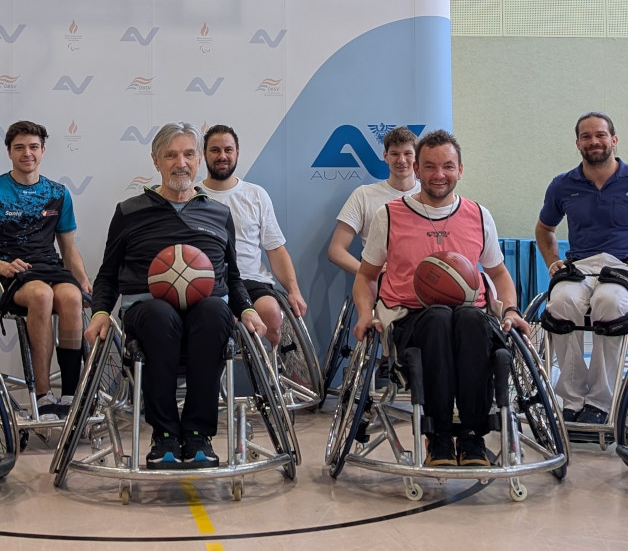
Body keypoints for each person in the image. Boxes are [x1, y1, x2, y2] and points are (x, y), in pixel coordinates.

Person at [84, 122, 264, 469]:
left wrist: (246, 309)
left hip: (207, 310)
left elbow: (234, 276)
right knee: (159, 314)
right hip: (147, 312)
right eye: (171, 155)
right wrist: (100, 312)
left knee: (213, 311)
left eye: (188, 154)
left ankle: (198, 435)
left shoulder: (218, 212)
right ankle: (164, 435)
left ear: (199, 161)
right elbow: (107, 275)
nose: (180, 163)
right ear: (156, 161)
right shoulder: (129, 211)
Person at [352, 130, 529, 467]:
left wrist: (511, 309)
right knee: (437, 317)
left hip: (468, 317)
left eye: (447, 166)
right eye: (430, 167)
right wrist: (364, 313)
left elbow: (500, 274)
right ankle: (439, 436)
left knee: (471, 318)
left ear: (460, 169)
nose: (439, 175)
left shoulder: (478, 215)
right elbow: (366, 276)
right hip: (409, 317)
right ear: (416, 169)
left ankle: (473, 437)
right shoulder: (388, 215)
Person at [535, 112, 628, 432]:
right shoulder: (563, 185)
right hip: (580, 268)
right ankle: (573, 400)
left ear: (614, 140)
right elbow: (544, 228)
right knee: (559, 303)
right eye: (586, 136)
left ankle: (601, 402)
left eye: (600, 135)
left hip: (623, 270)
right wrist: (552, 260)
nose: (594, 141)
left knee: (611, 304)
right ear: (577, 143)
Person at [0, 120, 91, 420]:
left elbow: (69, 249)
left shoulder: (58, 193)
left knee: (72, 298)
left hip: (49, 266)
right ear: (9, 152)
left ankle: (71, 394)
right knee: (41, 296)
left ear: (43, 151)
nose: (27, 153)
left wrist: (84, 280)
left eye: (33, 147)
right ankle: (44, 395)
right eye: (19, 147)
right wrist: (3, 267)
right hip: (6, 272)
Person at [200, 125, 306, 343]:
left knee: (271, 312)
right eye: (215, 150)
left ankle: (275, 369)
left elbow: (275, 249)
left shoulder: (256, 194)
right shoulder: (193, 196)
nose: (222, 156)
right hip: (207, 284)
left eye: (228, 150)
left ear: (237, 153)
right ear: (204, 154)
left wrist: (294, 291)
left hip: (251, 280)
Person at [326, 126, 420, 275]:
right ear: (385, 156)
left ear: (417, 157)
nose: (401, 160)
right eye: (395, 154)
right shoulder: (364, 194)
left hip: (422, 282)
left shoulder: (430, 196)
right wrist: (368, 273)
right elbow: (336, 250)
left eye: (408, 153)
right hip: (379, 287)